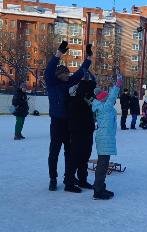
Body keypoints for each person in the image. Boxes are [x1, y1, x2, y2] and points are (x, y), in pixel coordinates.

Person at [45, 41, 92, 192]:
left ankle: (68, 178)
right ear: (58, 75)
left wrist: (89, 58)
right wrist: (58, 54)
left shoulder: (69, 82)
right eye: (64, 74)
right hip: (57, 123)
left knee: (70, 153)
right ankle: (53, 178)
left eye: (67, 73)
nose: (67, 75)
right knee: (54, 152)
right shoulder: (52, 83)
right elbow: (49, 71)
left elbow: (80, 72)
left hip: (69, 124)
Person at [91, 71, 123, 199]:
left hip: (104, 138)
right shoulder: (105, 107)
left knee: (103, 165)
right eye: (107, 97)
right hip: (104, 138)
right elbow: (112, 97)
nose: (110, 99)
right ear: (104, 99)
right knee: (102, 165)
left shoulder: (102, 107)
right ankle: (98, 191)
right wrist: (118, 84)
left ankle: (100, 187)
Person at [67, 69, 96, 189]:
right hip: (77, 130)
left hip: (87, 129)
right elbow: (82, 90)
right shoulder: (74, 98)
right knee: (75, 156)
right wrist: (85, 79)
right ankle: (69, 182)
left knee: (85, 156)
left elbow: (91, 87)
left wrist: (90, 77)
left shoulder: (87, 95)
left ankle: (82, 180)